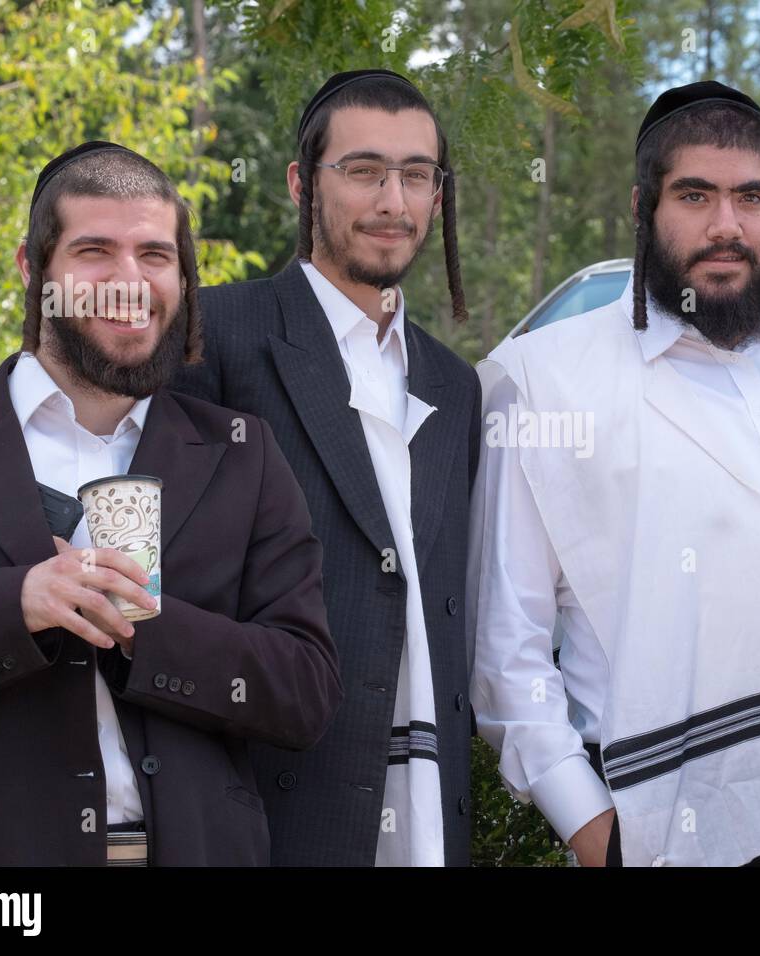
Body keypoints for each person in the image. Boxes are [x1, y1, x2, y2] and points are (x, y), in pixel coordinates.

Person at [468, 81, 760, 867]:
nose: (726, 226)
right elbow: (505, 645)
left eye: (750, 197)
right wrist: (590, 828)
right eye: (695, 195)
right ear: (644, 207)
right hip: (666, 833)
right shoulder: (542, 380)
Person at [0, 141, 341, 866]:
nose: (130, 281)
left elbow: (305, 694)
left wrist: (142, 628)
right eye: (95, 250)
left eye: (156, 256)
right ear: (34, 271)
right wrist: (18, 605)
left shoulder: (241, 451)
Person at [171, 70, 480, 866]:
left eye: (416, 176)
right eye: (364, 171)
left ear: (439, 196)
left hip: (424, 815)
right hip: (271, 806)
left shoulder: (455, 383)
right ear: (302, 184)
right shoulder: (216, 335)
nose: (393, 201)